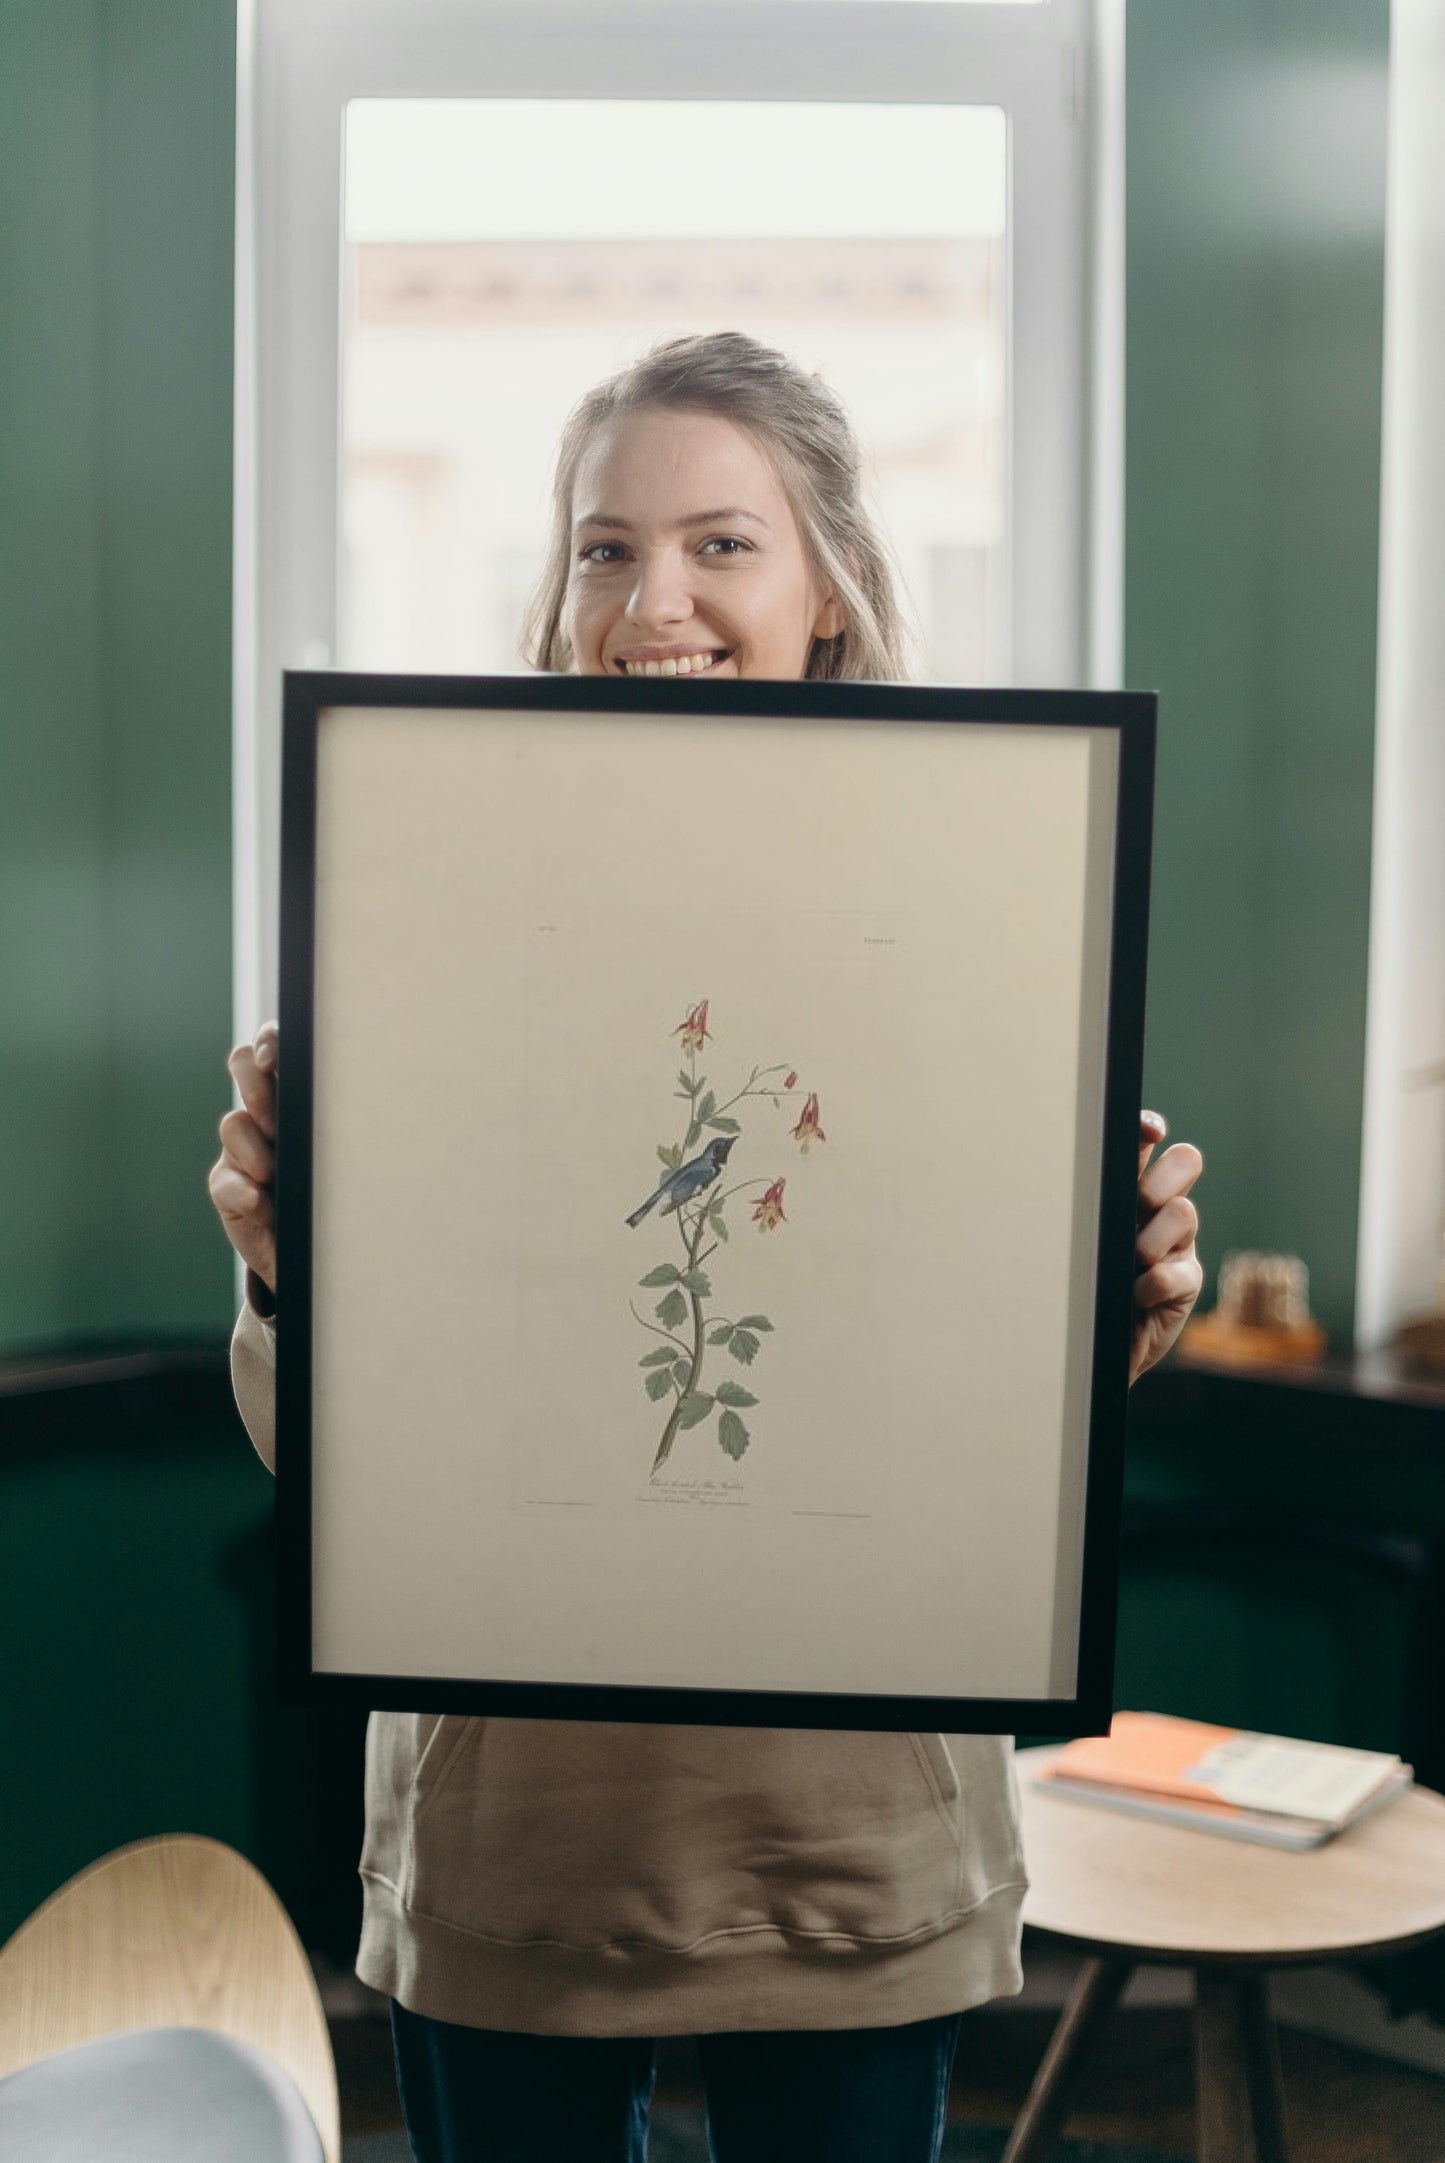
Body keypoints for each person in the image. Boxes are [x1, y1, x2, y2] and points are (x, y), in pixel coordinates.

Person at [210, 332, 1204, 2163]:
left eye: (719, 544)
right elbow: (335, 1459)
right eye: (603, 546)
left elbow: (973, 1412)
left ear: (826, 586)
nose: (648, 598)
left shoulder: (984, 913)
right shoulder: (419, 916)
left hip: (850, 1837)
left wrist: (1111, 1308)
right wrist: (284, 1274)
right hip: (518, 1834)